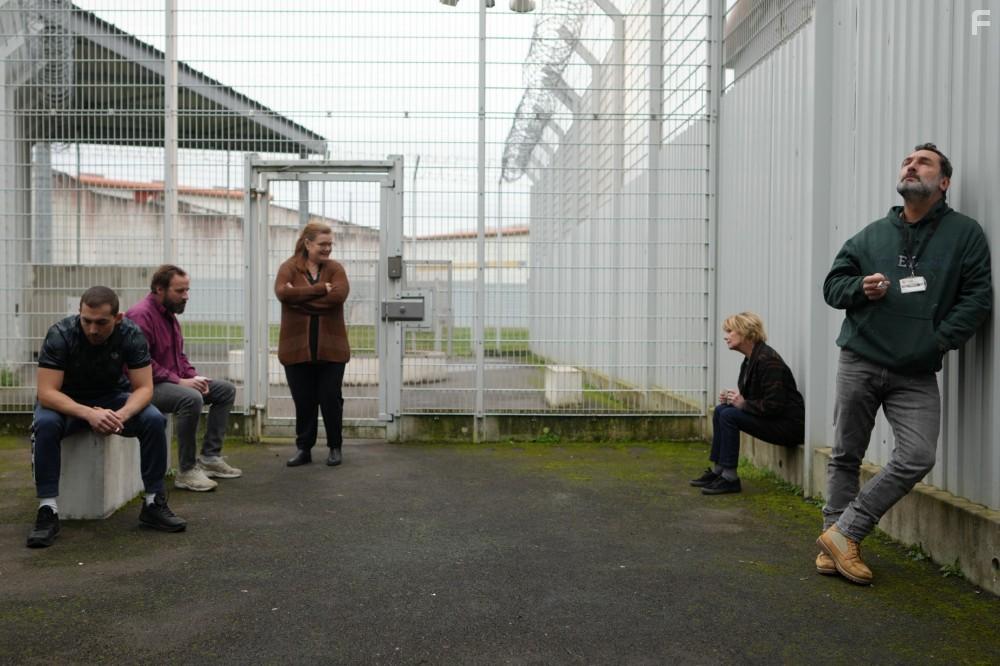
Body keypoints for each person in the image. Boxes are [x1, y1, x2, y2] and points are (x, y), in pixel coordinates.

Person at [818, 143, 992, 584]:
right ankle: (832, 544)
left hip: (915, 370)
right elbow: (833, 286)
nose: (911, 166)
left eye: (924, 162)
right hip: (860, 356)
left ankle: (845, 531)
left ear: (943, 182)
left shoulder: (964, 234)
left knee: (917, 455)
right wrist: (860, 287)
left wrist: (935, 340)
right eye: (907, 161)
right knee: (845, 455)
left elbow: (977, 299)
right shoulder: (872, 235)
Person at [27, 286, 186, 548]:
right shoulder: (60, 334)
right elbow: (46, 393)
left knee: (154, 419)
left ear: (118, 318)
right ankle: (47, 510)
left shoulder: (131, 334)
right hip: (67, 401)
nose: (92, 329)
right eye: (86, 321)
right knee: (45, 423)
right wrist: (89, 413)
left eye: (101, 322)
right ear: (79, 314)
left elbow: (144, 388)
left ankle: (153, 503)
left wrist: (121, 415)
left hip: (113, 398)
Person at [126, 265, 241, 492]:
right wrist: (181, 382)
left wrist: (193, 377)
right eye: (180, 291)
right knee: (190, 398)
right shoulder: (141, 316)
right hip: (143, 386)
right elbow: (141, 363)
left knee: (225, 390)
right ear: (160, 289)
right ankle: (186, 471)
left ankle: (209, 458)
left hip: (168, 382)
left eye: (187, 290)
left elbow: (178, 357)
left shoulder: (169, 315)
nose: (186, 296)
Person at [691, 312, 805, 495]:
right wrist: (732, 399)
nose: (725, 336)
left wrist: (743, 405)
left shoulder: (768, 361)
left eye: (730, 331)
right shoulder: (751, 359)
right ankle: (719, 470)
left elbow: (774, 406)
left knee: (728, 415)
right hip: (775, 420)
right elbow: (752, 398)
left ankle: (730, 478)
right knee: (721, 410)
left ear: (746, 333)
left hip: (789, 427)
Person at [274, 222, 350, 467]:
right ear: (308, 244)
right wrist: (319, 290)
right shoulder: (288, 268)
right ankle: (303, 449)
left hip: (332, 349)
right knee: (304, 400)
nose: (327, 249)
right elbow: (281, 293)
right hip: (296, 349)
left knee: (330, 398)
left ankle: (335, 447)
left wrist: (299, 299)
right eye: (322, 244)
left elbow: (338, 297)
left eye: (330, 244)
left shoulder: (336, 269)